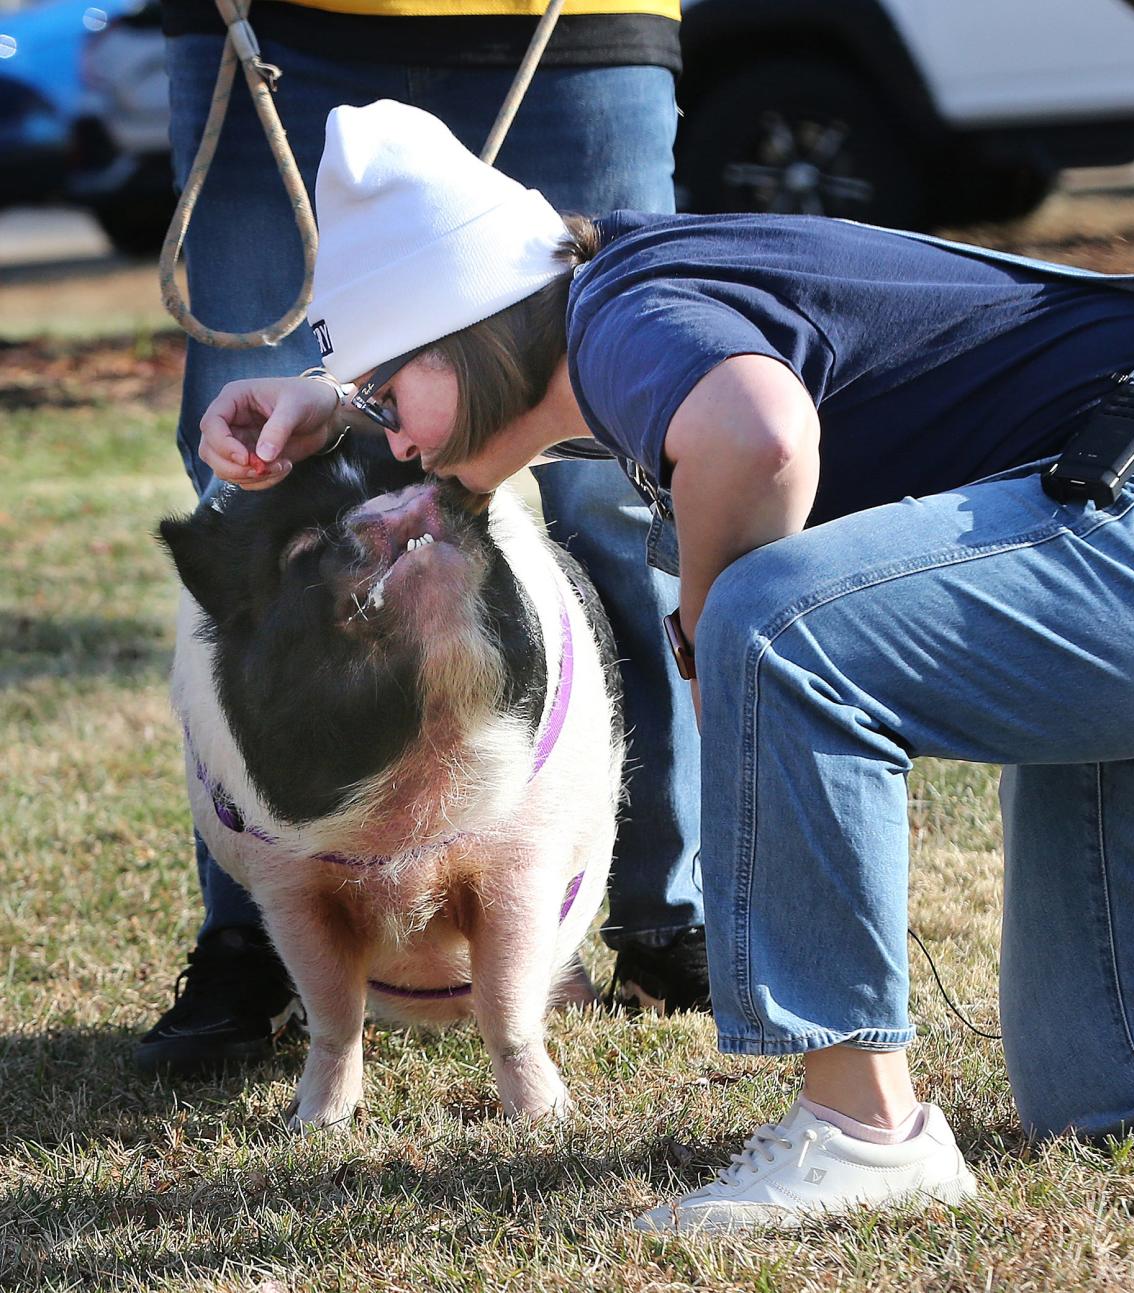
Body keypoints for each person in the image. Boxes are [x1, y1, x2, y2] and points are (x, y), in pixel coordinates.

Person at [200, 101, 1134, 1231]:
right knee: (1133, 1091)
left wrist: (715, 643)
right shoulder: (603, 299)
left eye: (390, 400)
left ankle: (862, 1133)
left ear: (466, 334)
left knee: (768, 620)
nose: (393, 443)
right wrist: (338, 397)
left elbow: (761, 435)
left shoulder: (621, 317)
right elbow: (513, 355)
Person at [139, 0, 709, 1076]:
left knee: (629, 477)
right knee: (249, 485)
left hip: (574, 26)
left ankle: (660, 918)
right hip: (266, 32)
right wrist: (338, 394)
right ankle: (256, 929)